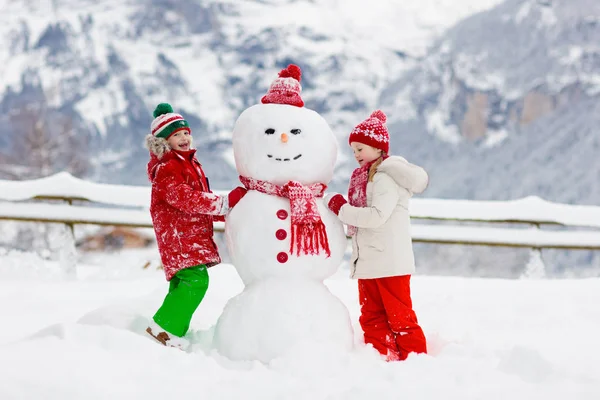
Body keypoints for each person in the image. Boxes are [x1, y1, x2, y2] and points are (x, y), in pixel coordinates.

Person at [324, 110, 428, 361]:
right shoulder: (364, 179)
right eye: (353, 151)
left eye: (360, 148)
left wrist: (341, 209)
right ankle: (381, 359)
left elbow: (376, 216)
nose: (356, 155)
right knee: (371, 316)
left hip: (390, 262)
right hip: (369, 260)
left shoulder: (385, 178)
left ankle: (416, 361)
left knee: (399, 316)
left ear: (377, 147)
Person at [144, 103, 246, 350]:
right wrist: (222, 203)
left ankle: (171, 331)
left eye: (186, 132)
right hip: (179, 236)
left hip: (189, 234)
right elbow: (185, 198)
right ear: (164, 142)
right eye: (176, 134)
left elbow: (199, 199)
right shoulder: (169, 167)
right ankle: (164, 328)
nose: (184, 138)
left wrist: (227, 212)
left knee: (182, 283)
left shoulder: (189, 163)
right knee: (195, 281)